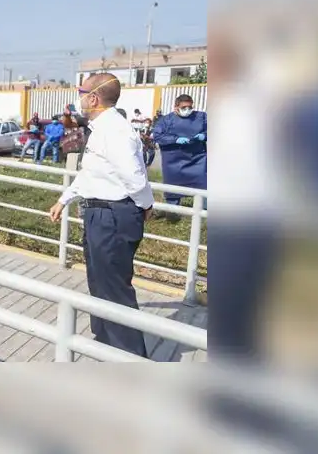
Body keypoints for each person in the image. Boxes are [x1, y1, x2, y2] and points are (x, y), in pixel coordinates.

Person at [47, 74, 154, 358]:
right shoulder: (101, 128)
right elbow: (92, 173)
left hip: (113, 215)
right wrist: (65, 199)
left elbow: (134, 178)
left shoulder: (114, 130)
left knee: (115, 292)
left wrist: (145, 205)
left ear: (93, 98)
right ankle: (106, 344)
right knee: (100, 284)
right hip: (99, 213)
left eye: (81, 92)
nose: (78, 97)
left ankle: (129, 359)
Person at [152, 94, 207, 211]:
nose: (187, 110)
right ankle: (172, 210)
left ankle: (205, 209)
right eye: (184, 108)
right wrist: (175, 139)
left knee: (203, 182)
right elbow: (157, 135)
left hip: (197, 159)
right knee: (173, 185)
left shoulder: (201, 117)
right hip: (174, 160)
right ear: (176, 107)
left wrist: (204, 135)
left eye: (190, 107)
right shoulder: (166, 120)